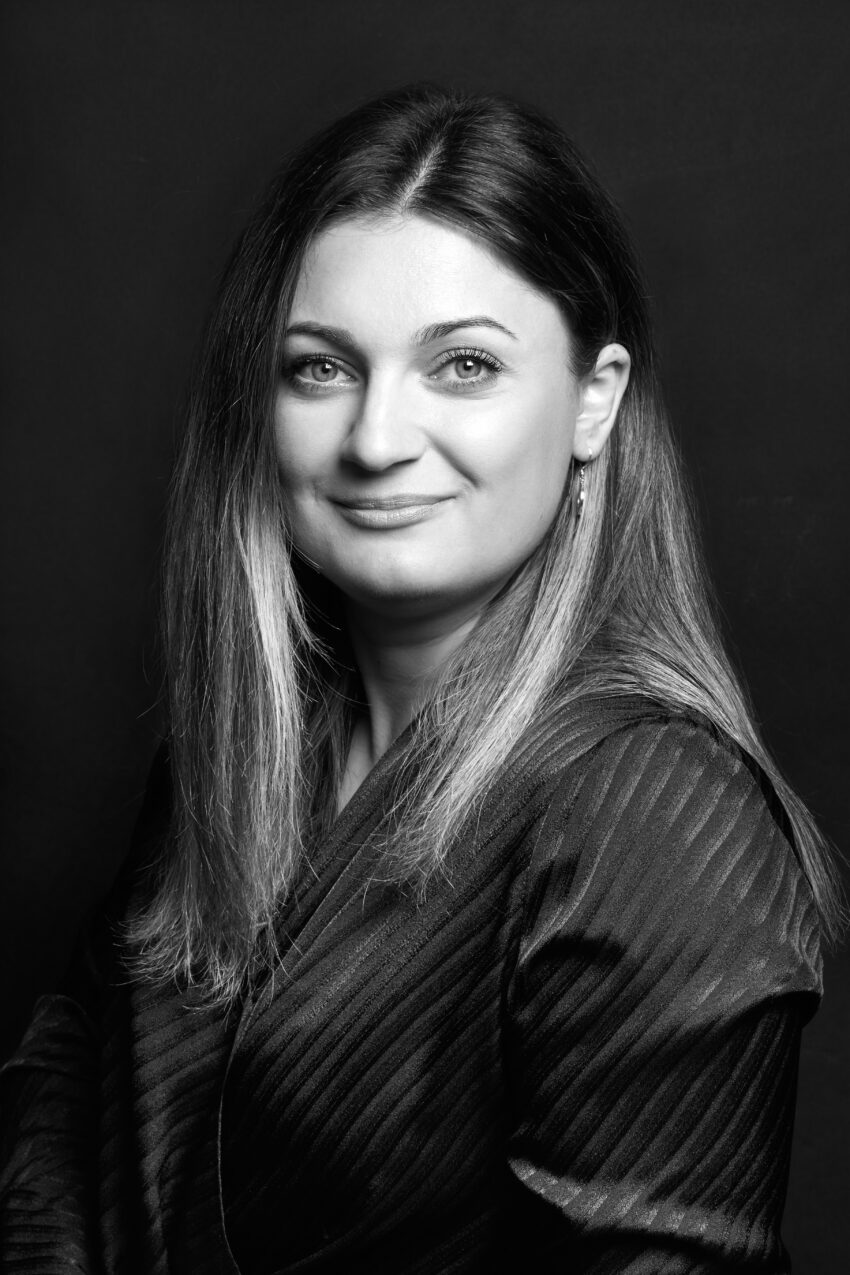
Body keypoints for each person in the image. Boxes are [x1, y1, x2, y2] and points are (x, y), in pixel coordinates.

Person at [0, 83, 841, 1274]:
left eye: (463, 365)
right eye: (320, 369)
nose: (376, 439)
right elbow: (69, 1078)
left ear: (593, 398)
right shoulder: (242, 745)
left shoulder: (653, 816)